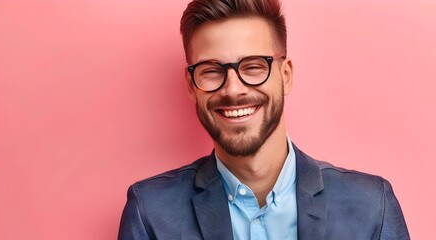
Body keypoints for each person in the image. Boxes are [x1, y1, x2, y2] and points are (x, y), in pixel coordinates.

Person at [117, 0, 409, 239]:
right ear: (192, 86)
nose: (233, 89)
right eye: (210, 70)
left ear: (286, 76)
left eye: (254, 66)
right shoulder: (150, 213)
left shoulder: (372, 206)